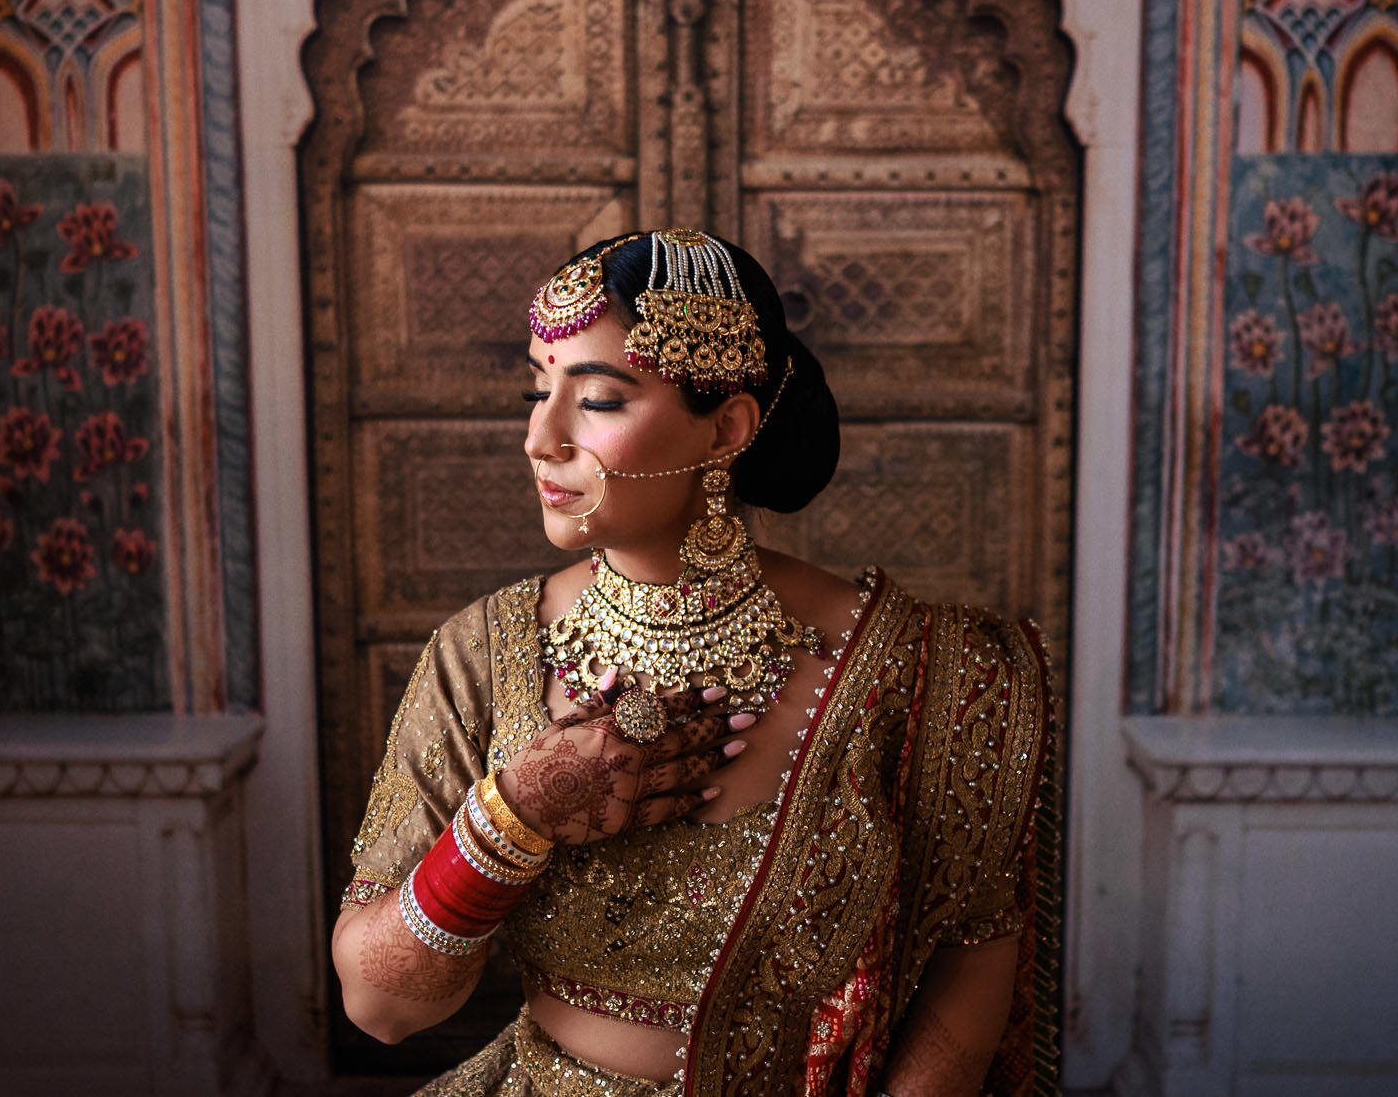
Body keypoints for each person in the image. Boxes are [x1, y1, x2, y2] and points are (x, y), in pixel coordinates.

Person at [332, 230, 1056, 1095]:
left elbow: (968, 965)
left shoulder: (926, 667)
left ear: (727, 430)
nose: (539, 435)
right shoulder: (486, 653)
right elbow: (379, 1005)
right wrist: (512, 815)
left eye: (596, 398)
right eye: (538, 386)